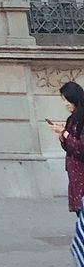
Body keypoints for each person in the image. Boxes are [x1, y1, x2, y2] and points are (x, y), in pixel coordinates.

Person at [51, 81, 84, 215]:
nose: (66, 104)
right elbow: (70, 147)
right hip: (75, 174)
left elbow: (81, 147)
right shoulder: (72, 119)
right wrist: (62, 137)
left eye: (67, 100)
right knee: (80, 215)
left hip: (81, 173)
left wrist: (64, 133)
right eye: (63, 100)